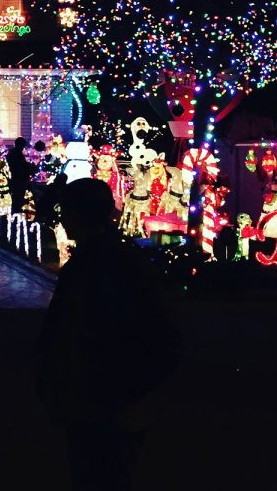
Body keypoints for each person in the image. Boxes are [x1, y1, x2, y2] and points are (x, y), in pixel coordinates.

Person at [36, 178, 180, 490]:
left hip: (101, 403)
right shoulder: (119, 261)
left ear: (78, 215)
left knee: (99, 475)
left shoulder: (97, 266)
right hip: (105, 401)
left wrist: (125, 387)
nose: (62, 220)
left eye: (66, 212)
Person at [6, 137, 34, 214]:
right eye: (23, 146)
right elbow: (20, 167)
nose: (23, 148)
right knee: (18, 197)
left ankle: (16, 211)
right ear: (20, 145)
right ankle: (16, 212)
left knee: (16, 197)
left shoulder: (13, 153)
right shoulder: (17, 153)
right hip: (18, 179)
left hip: (16, 179)